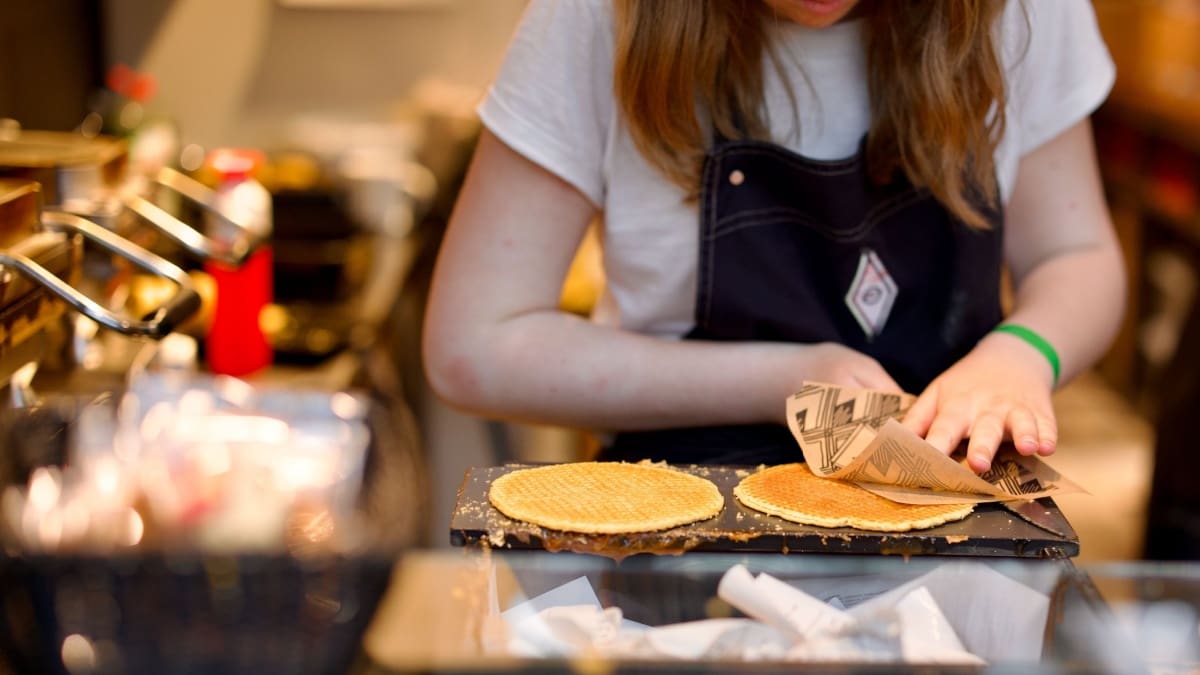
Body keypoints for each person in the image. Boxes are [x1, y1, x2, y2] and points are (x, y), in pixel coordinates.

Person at [423, 0, 1125, 472]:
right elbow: (473, 343)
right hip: (681, 531)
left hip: (951, 512)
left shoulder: (1025, 14)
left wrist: (1021, 356)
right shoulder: (595, 19)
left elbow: (1078, 255)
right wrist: (781, 381)